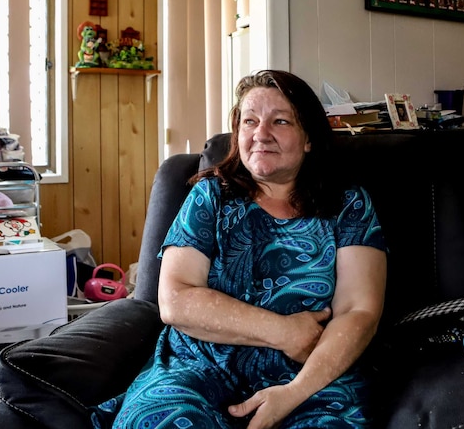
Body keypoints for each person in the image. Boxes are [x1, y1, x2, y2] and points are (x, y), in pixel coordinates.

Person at [92, 70, 388, 429]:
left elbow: (359, 311)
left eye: (280, 121)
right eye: (250, 121)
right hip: (199, 367)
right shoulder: (210, 197)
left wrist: (292, 393)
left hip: (313, 375)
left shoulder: (349, 204)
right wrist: (285, 332)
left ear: (308, 138)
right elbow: (175, 299)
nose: (261, 134)